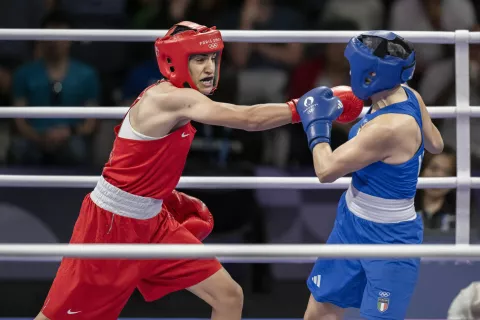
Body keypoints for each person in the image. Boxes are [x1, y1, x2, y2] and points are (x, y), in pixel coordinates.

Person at [35, 21, 362, 320]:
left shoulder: (181, 97)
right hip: (110, 226)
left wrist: (158, 193)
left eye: (213, 59)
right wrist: (300, 109)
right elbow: (247, 119)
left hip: (153, 222)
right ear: (175, 61)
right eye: (199, 60)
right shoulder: (169, 99)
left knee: (228, 295)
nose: (209, 68)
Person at [295, 31, 445, 320]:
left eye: (356, 67)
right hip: (351, 222)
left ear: (372, 73)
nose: (351, 72)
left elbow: (325, 170)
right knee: (319, 311)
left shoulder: (388, 128)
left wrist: (317, 126)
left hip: (390, 240)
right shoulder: (410, 95)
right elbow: (436, 143)